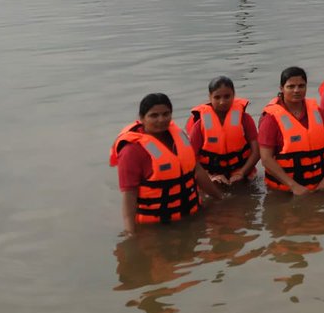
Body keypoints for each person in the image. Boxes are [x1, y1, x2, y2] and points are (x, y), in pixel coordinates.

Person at [111, 93, 222, 235]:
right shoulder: (131, 151)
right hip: (156, 227)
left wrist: (219, 198)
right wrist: (130, 233)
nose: (161, 119)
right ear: (142, 118)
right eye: (154, 115)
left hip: (193, 216)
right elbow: (129, 195)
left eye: (166, 114)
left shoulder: (180, 137)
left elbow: (197, 171)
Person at [259, 66, 324, 193]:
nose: (296, 90)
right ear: (281, 88)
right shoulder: (270, 119)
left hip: (321, 185)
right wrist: (293, 186)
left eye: (301, 86)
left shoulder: (317, 111)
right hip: (285, 192)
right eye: (291, 86)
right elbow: (266, 159)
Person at [185, 76, 259, 185]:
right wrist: (210, 177)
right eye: (217, 97)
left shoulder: (245, 119)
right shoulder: (199, 124)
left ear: (234, 95)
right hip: (210, 174)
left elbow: (257, 151)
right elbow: (190, 159)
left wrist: (241, 173)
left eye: (227, 96)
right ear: (210, 97)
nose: (222, 102)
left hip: (242, 171)